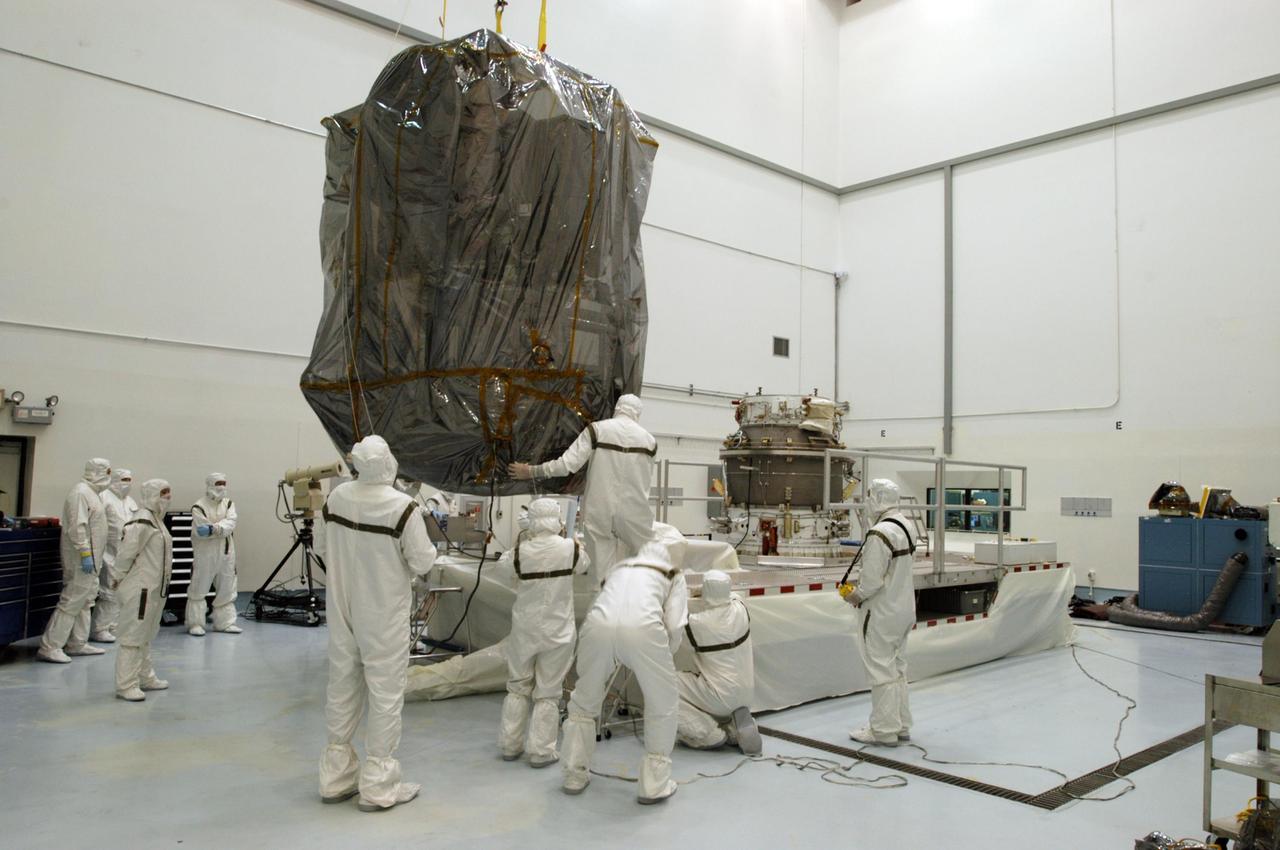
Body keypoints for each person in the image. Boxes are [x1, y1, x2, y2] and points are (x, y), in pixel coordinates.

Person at [319, 435, 437, 812]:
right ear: (387, 463)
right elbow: (422, 562)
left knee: (342, 685)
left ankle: (335, 777)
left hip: (341, 608)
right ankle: (378, 784)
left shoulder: (336, 498)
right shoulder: (402, 508)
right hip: (382, 613)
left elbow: (324, 548)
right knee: (385, 693)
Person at [561, 539, 687, 804]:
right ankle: (653, 786)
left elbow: (602, 600)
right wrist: (664, 657)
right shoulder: (673, 573)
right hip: (643, 629)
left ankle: (574, 774)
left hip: (597, 626)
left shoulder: (620, 567)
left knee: (584, 700)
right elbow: (675, 625)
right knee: (662, 703)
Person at [510, 394, 656, 586]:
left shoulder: (597, 430)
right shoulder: (650, 441)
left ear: (617, 409)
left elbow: (566, 465)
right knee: (647, 567)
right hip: (635, 512)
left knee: (600, 578)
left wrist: (530, 471)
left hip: (599, 509)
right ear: (638, 413)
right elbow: (644, 480)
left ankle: (604, 611)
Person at [497, 498, 588, 767]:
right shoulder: (571, 549)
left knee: (517, 685)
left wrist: (523, 537)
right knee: (549, 690)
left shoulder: (519, 552)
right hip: (558, 629)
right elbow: (584, 565)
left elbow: (503, 569)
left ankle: (510, 745)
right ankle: (541, 751)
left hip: (525, 628)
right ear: (558, 518)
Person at [843, 478, 916, 746]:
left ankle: (883, 731)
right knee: (897, 668)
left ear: (878, 498)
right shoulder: (907, 526)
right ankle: (901, 724)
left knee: (880, 670)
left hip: (881, 613)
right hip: (903, 609)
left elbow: (872, 581)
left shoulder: (879, 533)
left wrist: (854, 595)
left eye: (870, 495)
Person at [676, 570, 761, 755]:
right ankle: (733, 729)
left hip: (720, 696)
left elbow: (675, 628)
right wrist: (711, 591)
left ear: (706, 591)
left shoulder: (698, 623)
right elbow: (734, 595)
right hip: (747, 693)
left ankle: (708, 733)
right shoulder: (741, 609)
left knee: (665, 685)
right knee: (711, 681)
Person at [37, 458, 113, 663]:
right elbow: (77, 528)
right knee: (71, 601)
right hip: (81, 559)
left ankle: (77, 643)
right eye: (106, 471)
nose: (109, 476)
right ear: (96, 472)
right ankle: (50, 646)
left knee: (86, 600)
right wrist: (85, 554)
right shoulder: (80, 493)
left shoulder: (93, 494)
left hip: (93, 559)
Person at [113, 479, 174, 702]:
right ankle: (126, 684)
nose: (167, 497)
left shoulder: (157, 521)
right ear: (151, 494)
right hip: (141, 589)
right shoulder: (142, 520)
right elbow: (125, 554)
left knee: (146, 635)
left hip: (155, 589)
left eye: (169, 493)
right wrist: (117, 578)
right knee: (133, 636)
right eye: (163, 493)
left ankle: (145, 677)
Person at [185, 472, 240, 636]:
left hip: (226, 553)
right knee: (199, 588)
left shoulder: (229, 504)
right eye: (218, 483)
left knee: (227, 587)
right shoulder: (199, 506)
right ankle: (195, 623)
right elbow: (202, 529)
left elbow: (231, 523)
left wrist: (213, 528)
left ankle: (225, 623)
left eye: (224, 483)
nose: (221, 487)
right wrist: (219, 529)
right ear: (209, 484)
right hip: (205, 554)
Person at [91, 468, 139, 643]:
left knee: (123, 592)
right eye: (124, 479)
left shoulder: (130, 501)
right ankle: (100, 628)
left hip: (127, 552)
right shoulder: (104, 498)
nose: (127, 483)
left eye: (129, 480)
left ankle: (114, 625)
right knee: (109, 591)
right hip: (109, 552)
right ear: (115, 479)